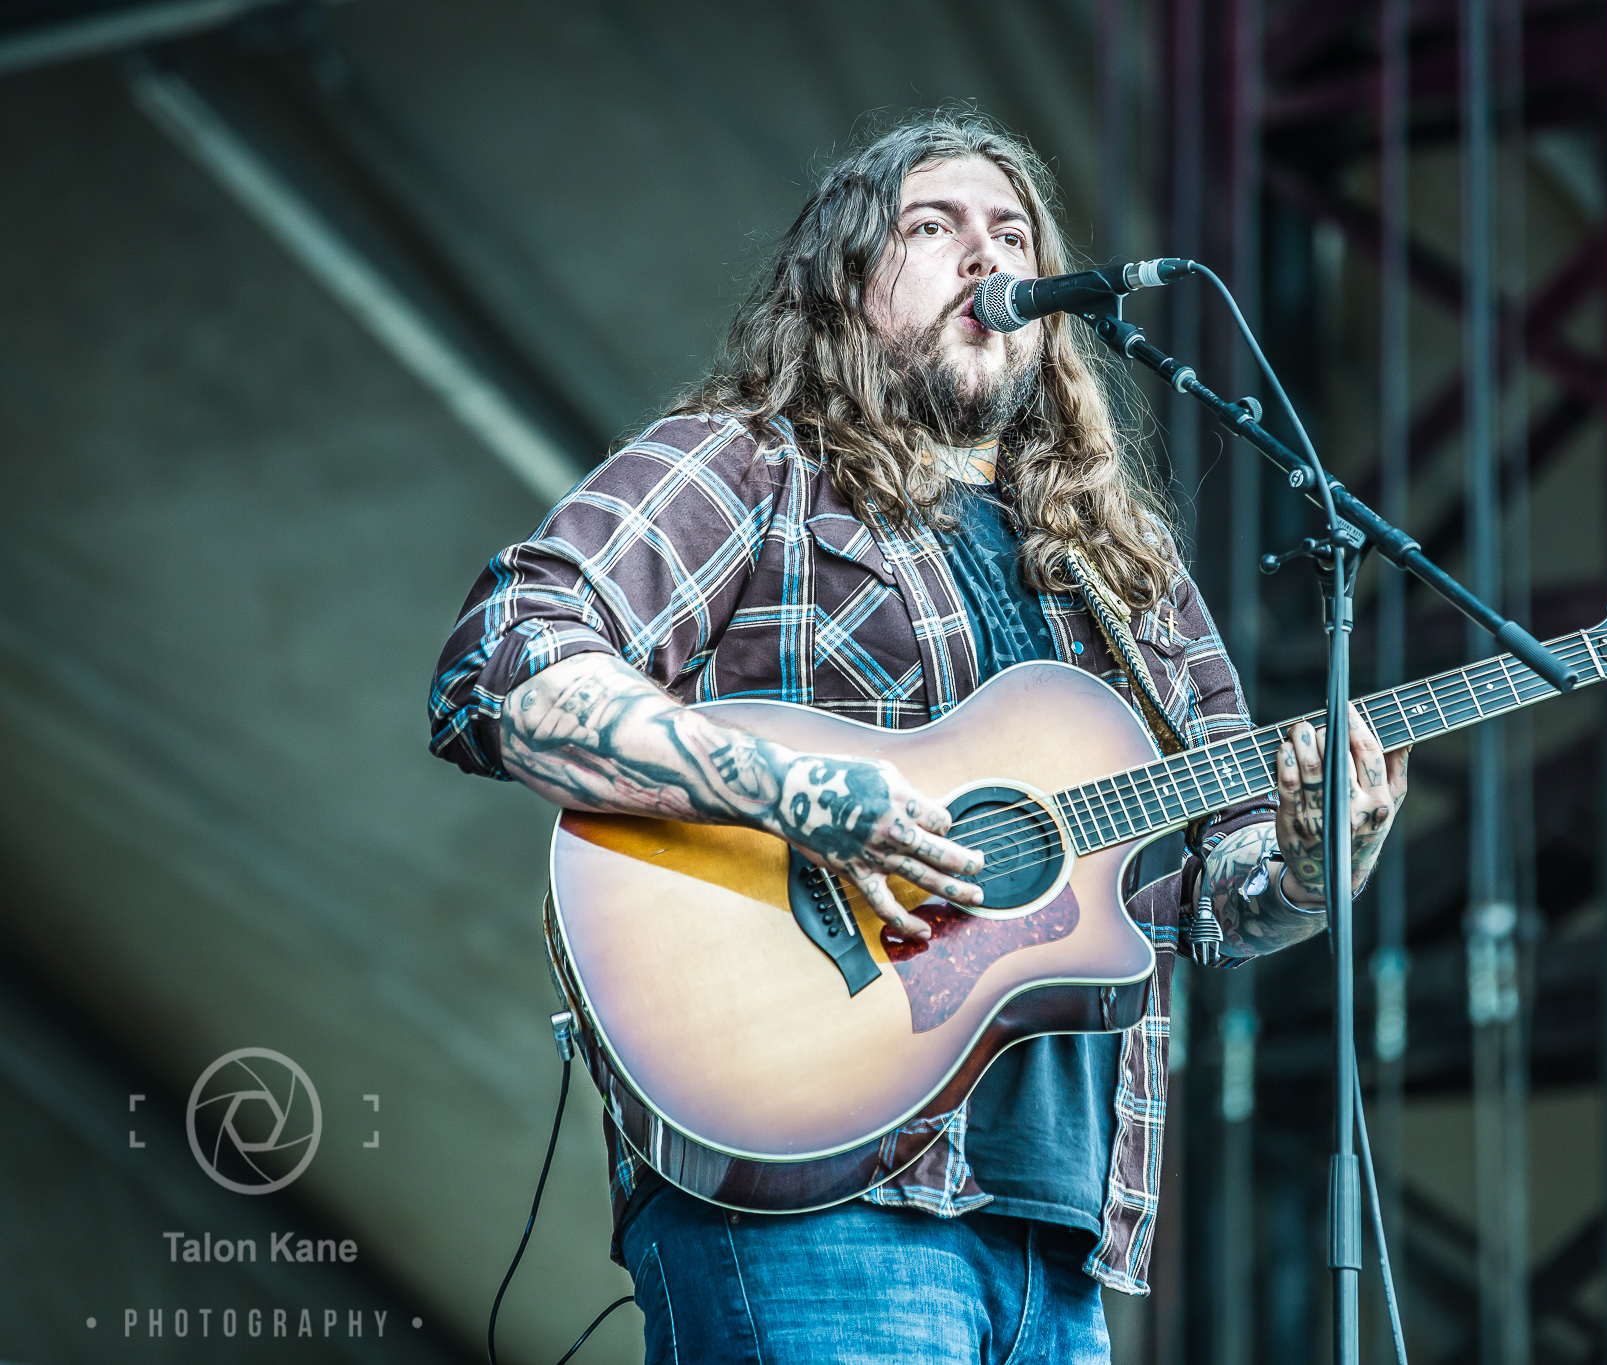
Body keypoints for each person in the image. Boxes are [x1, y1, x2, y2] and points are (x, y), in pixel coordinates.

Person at [429, 110, 1409, 1365]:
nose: (985, 256)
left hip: (1056, 1237)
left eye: (1012, 235)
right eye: (933, 227)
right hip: (814, 1193)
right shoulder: (753, 467)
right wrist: (801, 796)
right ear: (844, 282)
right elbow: (505, 660)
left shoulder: (1125, 570)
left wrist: (1315, 859)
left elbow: (1208, 895)